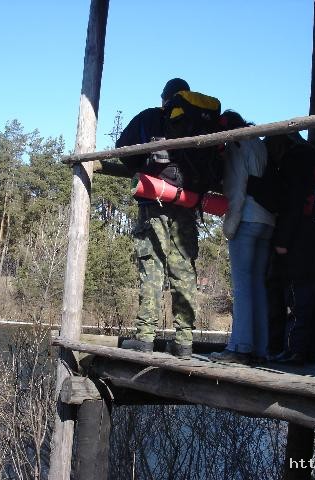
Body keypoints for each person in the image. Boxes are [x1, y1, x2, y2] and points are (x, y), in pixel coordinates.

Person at [118, 78, 198, 359]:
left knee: (151, 267)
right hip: (187, 203)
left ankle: (145, 337)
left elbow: (123, 150)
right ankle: (184, 341)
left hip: (154, 201)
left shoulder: (150, 117)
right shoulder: (199, 122)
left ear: (164, 98)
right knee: (183, 270)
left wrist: (143, 166)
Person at [247, 132, 315, 366]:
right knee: (311, 297)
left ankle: (294, 351)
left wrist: (282, 241)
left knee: (295, 298)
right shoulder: (314, 159)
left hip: (297, 241)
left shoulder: (294, 161)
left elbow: (290, 202)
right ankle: (308, 351)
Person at [210, 111, 276, 365]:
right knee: (257, 285)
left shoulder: (237, 144)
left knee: (242, 287)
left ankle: (239, 347)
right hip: (267, 220)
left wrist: (230, 225)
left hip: (246, 218)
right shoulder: (259, 143)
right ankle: (259, 348)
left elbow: (237, 189)